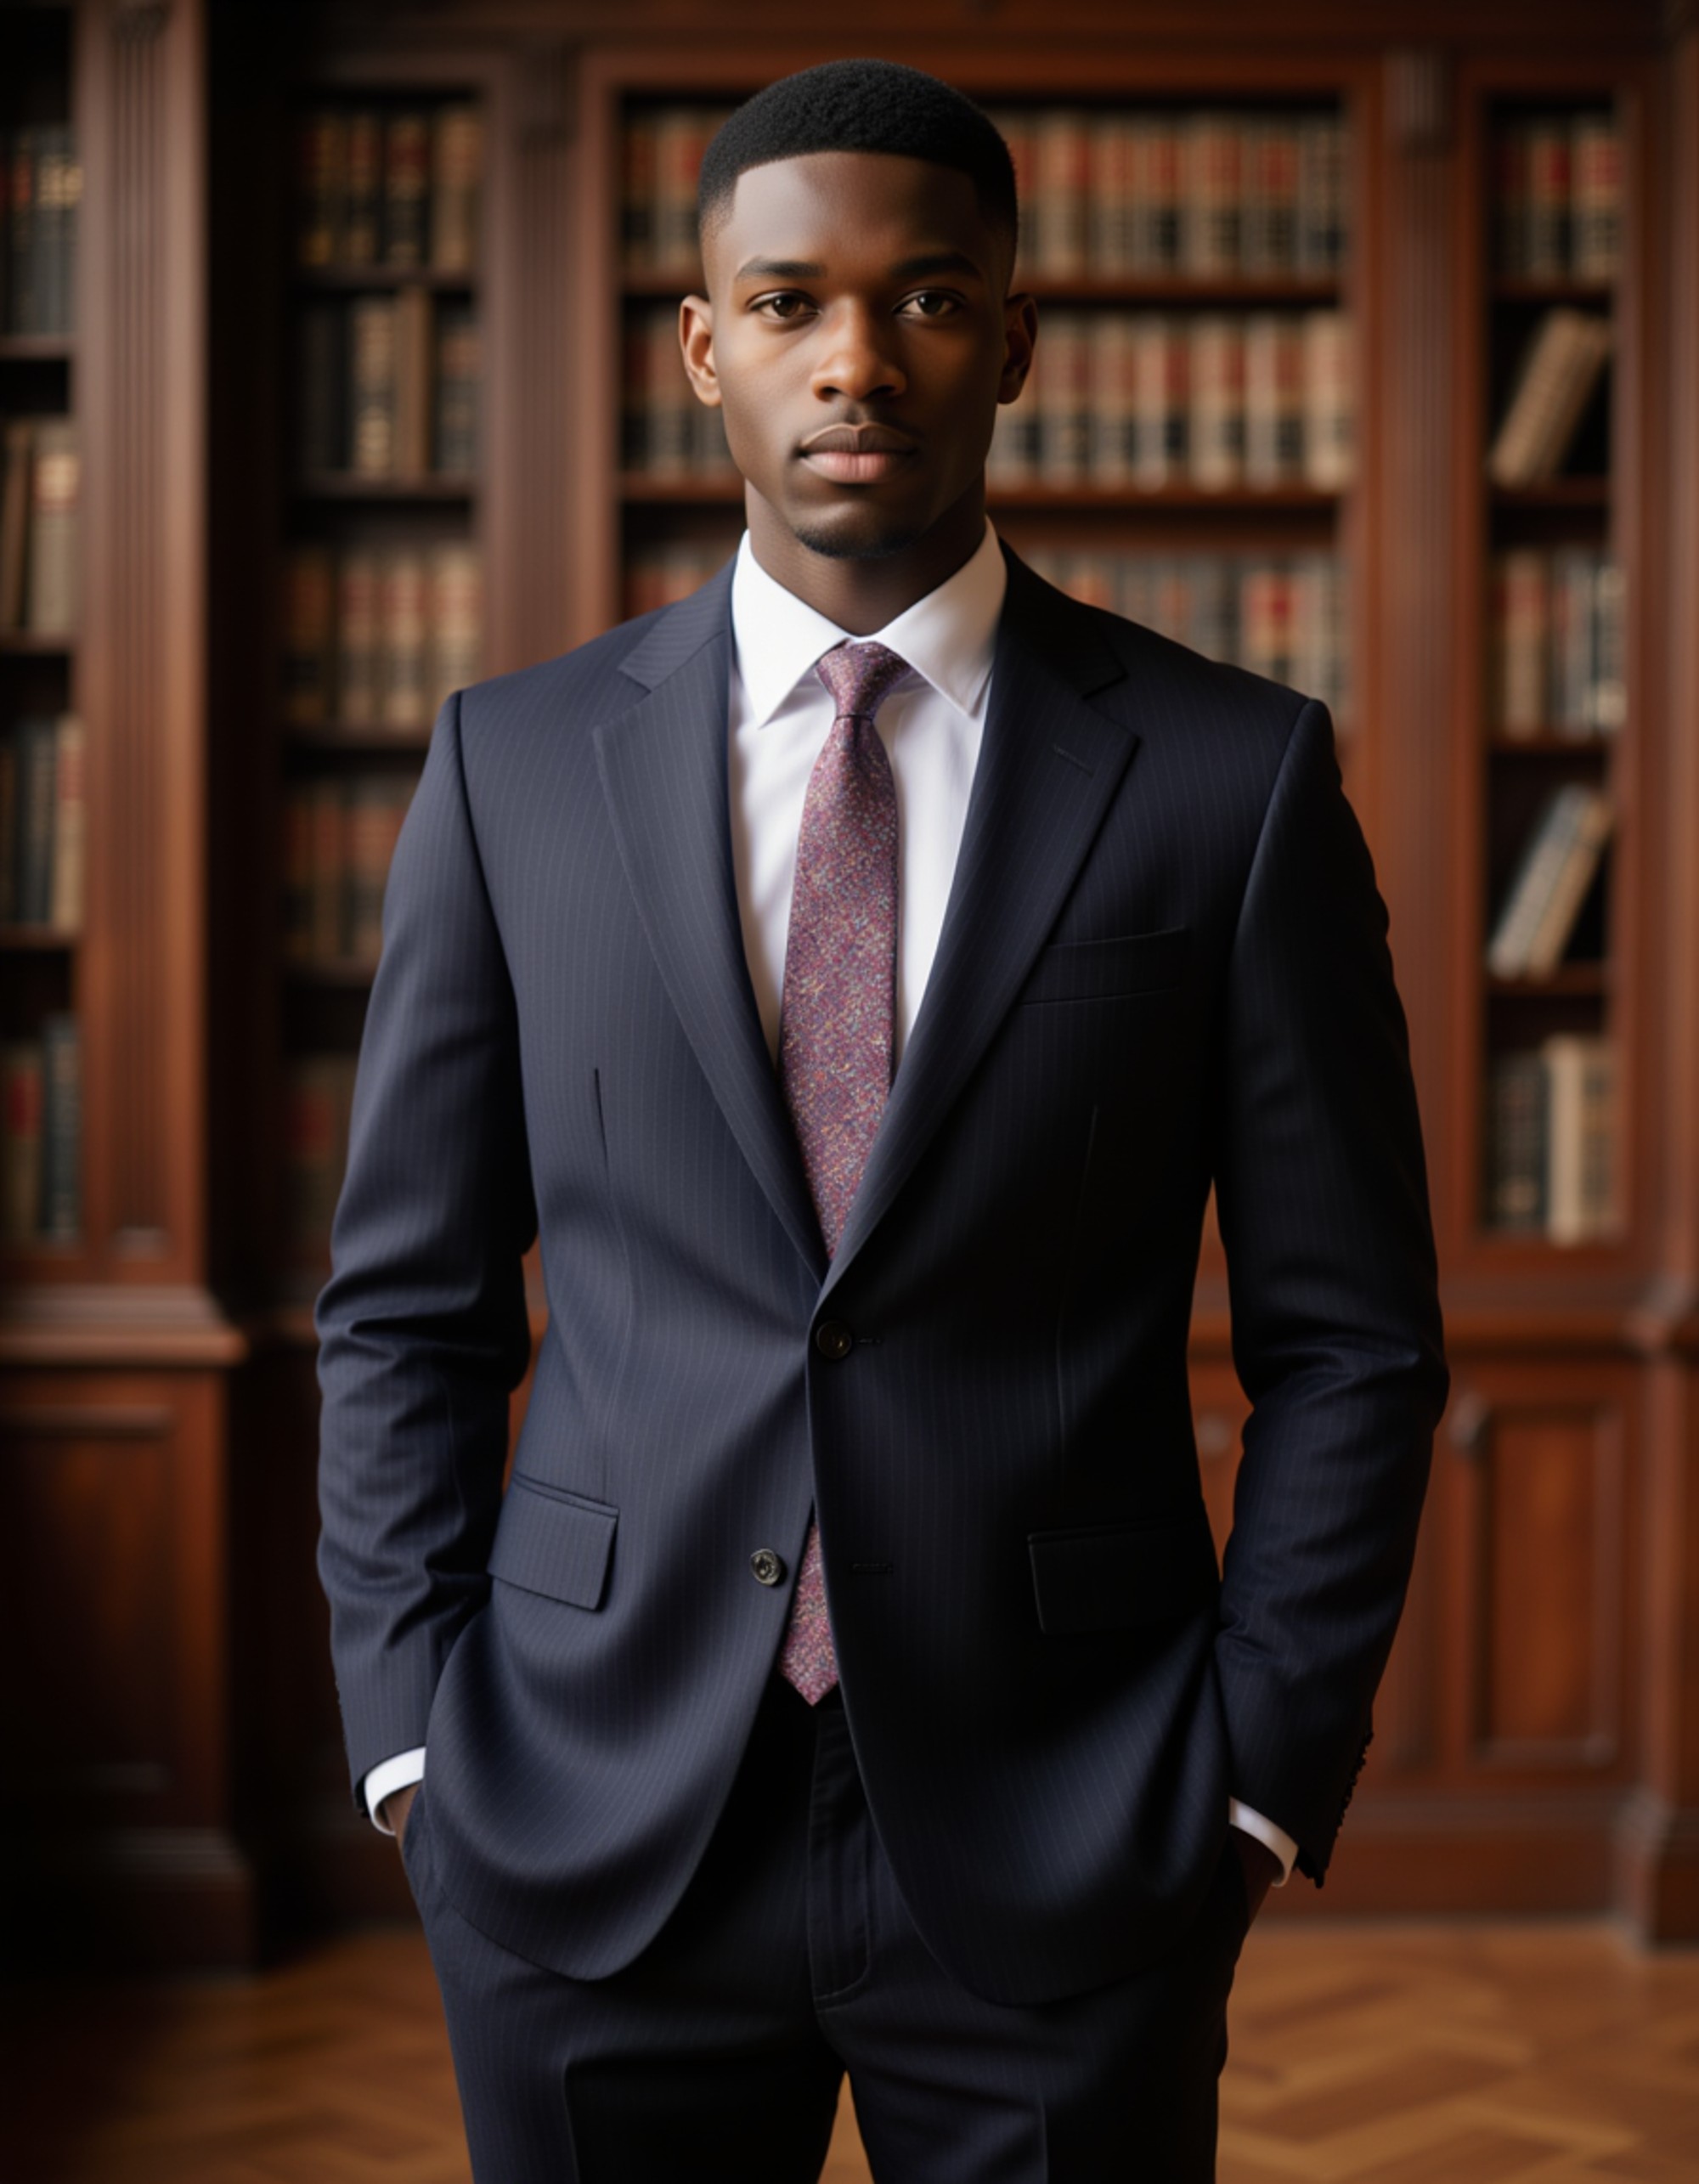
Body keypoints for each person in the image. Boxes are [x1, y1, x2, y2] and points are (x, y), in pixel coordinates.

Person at [316, 57, 1448, 2183]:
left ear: (1014, 337)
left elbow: (1352, 1336)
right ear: (701, 346)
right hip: (580, 1811)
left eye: (927, 299)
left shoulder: (1233, 778)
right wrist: (411, 1748)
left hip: (1075, 1819)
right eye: (786, 302)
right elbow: (402, 1306)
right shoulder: (512, 768)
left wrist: (1252, 1774)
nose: (855, 359)